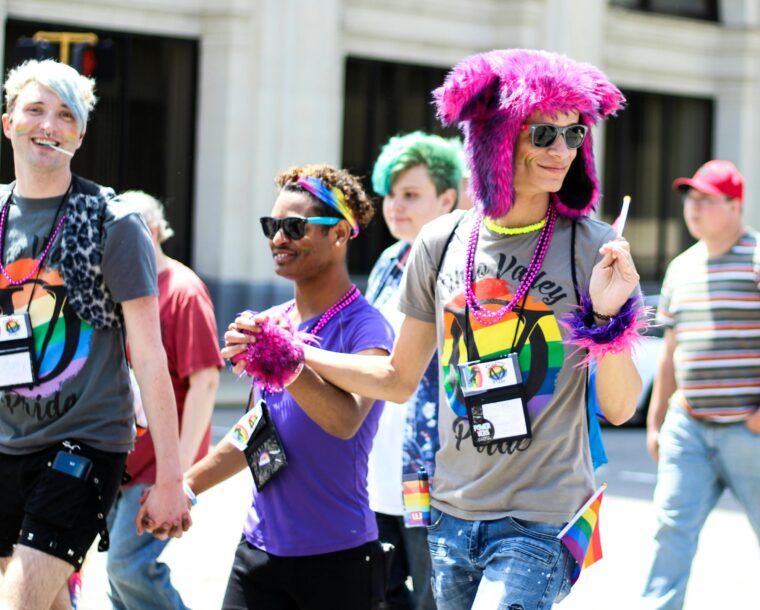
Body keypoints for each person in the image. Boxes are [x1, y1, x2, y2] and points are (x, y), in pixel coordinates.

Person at [225, 49, 644, 610]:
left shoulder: (593, 247)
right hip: (450, 515)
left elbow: (619, 407)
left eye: (573, 135)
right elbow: (397, 378)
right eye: (544, 133)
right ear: (498, 138)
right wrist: (294, 354)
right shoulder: (440, 241)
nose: (561, 151)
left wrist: (610, 322)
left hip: (541, 523)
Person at [0, 60, 191, 610]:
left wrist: (171, 478)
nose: (49, 125)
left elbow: (151, 355)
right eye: (35, 110)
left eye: (66, 115)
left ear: (80, 136)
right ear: (8, 123)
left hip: (83, 443)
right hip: (7, 442)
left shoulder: (113, 220)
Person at [185, 164, 393, 609]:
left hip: (338, 560)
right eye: (271, 226)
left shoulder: (367, 329)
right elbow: (255, 431)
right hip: (257, 554)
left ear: (338, 233)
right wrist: (186, 487)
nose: (278, 239)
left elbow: (345, 421)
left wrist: (288, 364)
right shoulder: (273, 322)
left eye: (294, 227)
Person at [641, 160, 760, 610]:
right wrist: (657, 420)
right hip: (690, 426)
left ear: (735, 206)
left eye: (705, 199)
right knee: (670, 529)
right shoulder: (681, 267)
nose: (693, 208)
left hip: (754, 430)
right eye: (689, 198)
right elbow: (671, 352)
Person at [104, 191, 223, 610]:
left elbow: (205, 384)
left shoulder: (184, 291)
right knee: (119, 579)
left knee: (126, 567)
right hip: (122, 460)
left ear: (151, 232)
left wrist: (181, 478)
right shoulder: (123, 290)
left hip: (160, 467)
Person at [366, 131, 463, 609]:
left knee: (434, 596)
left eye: (411, 195)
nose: (395, 206)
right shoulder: (387, 262)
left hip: (430, 467)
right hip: (376, 464)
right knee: (377, 593)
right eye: (390, 193)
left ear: (447, 198)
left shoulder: (461, 266)